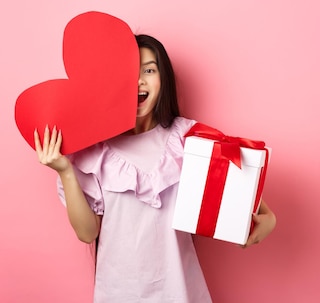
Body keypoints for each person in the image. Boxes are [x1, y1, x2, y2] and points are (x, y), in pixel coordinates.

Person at [33, 34, 276, 302]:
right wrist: (65, 171)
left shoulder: (190, 137)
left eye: (149, 70)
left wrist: (269, 220)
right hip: (118, 293)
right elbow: (87, 233)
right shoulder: (94, 151)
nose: (139, 80)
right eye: (129, 71)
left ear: (164, 79)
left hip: (181, 291)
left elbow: (246, 198)